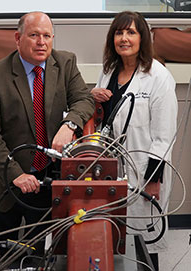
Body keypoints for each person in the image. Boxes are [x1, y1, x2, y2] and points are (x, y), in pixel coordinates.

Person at [0, 11, 94, 251]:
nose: (41, 42)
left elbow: (83, 99)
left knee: (39, 252)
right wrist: (16, 174)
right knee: (4, 253)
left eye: (47, 36)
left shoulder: (65, 63)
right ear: (18, 38)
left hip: (43, 179)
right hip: (0, 181)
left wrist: (70, 125)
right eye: (34, 35)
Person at [91, 11, 177, 270]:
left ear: (142, 38)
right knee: (116, 239)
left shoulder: (158, 77)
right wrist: (92, 97)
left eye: (131, 32)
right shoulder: (108, 72)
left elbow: (164, 136)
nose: (124, 38)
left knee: (144, 242)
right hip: (111, 171)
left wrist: (152, 180)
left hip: (144, 172)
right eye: (119, 32)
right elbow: (102, 123)